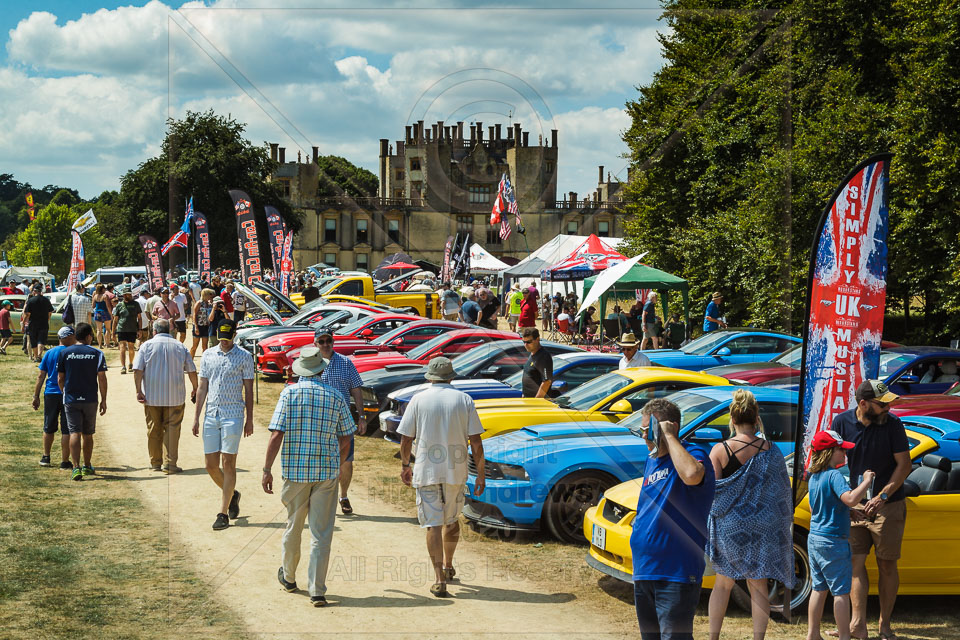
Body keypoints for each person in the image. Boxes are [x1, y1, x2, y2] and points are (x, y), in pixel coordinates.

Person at [263, 346, 355, 607]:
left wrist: (266, 469)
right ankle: (317, 589)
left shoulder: (289, 394)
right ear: (322, 369)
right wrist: (337, 455)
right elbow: (347, 433)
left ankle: (289, 577)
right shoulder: (335, 395)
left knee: (294, 524)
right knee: (321, 533)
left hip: (295, 472)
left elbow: (277, 433)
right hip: (326, 473)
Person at [706, 389, 794, 640]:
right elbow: (781, 493)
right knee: (759, 586)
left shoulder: (720, 450)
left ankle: (713, 638)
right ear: (757, 419)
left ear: (732, 420)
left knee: (723, 584)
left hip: (730, 528)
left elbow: (715, 493)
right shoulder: (772, 450)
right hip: (763, 529)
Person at [397, 356, 485, 597]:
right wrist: (481, 474)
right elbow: (475, 440)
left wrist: (405, 464)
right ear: (451, 376)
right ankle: (448, 565)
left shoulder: (418, 399)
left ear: (429, 377)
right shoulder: (464, 400)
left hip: (426, 470)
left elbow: (406, 438)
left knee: (432, 524)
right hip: (456, 471)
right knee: (452, 520)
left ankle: (438, 578)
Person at [830, 380, 911, 640]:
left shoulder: (893, 424)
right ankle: (857, 626)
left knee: (887, 565)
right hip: (855, 505)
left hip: (889, 503)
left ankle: (884, 626)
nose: (888, 407)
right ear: (863, 404)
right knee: (855, 563)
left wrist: (883, 496)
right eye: (882, 403)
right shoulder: (841, 423)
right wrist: (847, 500)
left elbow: (904, 464)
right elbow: (834, 463)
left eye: (888, 402)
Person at [630, 398, 715, 639]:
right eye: (643, 429)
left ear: (670, 427)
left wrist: (669, 436)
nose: (644, 436)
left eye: (650, 429)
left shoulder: (694, 453)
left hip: (676, 572)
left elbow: (691, 475)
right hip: (646, 569)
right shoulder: (652, 459)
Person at [805, 430, 875, 640]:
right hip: (833, 541)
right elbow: (852, 497)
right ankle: (845, 636)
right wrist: (867, 481)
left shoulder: (813, 476)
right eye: (840, 449)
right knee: (841, 592)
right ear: (828, 452)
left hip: (815, 539)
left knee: (818, 589)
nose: (845, 453)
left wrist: (844, 511)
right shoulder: (834, 475)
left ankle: (813, 634)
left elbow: (812, 506)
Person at [192, 320, 255, 530]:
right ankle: (232, 495)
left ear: (235, 335)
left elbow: (248, 390)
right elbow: (202, 387)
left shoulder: (245, 357)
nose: (225, 342)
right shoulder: (209, 355)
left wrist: (250, 419)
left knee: (228, 462)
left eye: (228, 338)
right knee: (210, 465)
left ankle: (222, 513)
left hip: (233, 415)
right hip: (211, 414)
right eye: (222, 337)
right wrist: (196, 417)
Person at [133, 318, 199, 474]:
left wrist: (138, 390)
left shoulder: (146, 346)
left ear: (154, 331)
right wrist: (195, 388)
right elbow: (191, 370)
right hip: (175, 397)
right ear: (170, 331)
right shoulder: (180, 346)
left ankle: (155, 463)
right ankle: (170, 464)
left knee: (153, 429)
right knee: (173, 430)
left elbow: (137, 370)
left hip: (152, 397)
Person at [313, 327, 366, 515]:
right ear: (315, 344)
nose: (326, 345)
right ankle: (323, 497)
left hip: (343, 421)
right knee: (320, 460)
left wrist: (361, 416)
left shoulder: (346, 363)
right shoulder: (311, 364)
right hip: (318, 422)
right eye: (322, 341)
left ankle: (343, 496)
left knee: (346, 461)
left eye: (329, 341)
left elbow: (356, 390)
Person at [57, 323, 108, 481]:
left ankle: (76, 467)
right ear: (88, 336)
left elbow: (60, 378)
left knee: (74, 432)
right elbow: (102, 378)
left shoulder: (65, 352)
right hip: (90, 399)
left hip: (71, 398)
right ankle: (87, 465)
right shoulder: (97, 353)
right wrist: (104, 399)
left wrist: (65, 392)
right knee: (88, 434)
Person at [34, 326, 77, 468]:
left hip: (51, 394)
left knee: (48, 426)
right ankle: (65, 461)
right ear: (68, 337)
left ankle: (46, 457)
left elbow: (41, 375)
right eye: (73, 336)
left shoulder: (49, 353)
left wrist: (36, 396)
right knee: (67, 429)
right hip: (67, 394)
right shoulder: (72, 353)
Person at [113, 285, 143, 374]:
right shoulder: (119, 305)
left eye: (129, 294)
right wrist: (113, 332)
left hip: (132, 329)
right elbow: (115, 320)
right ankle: (123, 366)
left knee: (131, 348)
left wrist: (140, 329)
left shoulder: (135, 304)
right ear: (123, 295)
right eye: (126, 294)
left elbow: (139, 318)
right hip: (121, 329)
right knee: (122, 348)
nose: (128, 296)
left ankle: (130, 363)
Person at [22, 284, 54, 362]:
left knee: (34, 340)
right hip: (44, 323)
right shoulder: (46, 300)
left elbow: (27, 314)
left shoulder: (31, 300)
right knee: (41, 340)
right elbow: (50, 312)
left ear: (35, 291)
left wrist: (23, 323)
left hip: (33, 323)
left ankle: (36, 357)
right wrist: (48, 319)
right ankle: (39, 355)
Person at [521, 327, 553, 398]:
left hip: (537, 404)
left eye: (529, 342)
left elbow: (547, 382)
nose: (526, 345)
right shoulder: (532, 353)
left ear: (537, 339)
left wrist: (536, 401)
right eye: (524, 342)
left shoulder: (543, 356)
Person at [191, 288, 214, 358]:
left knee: (205, 346)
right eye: (210, 294)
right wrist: (196, 326)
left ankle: (205, 361)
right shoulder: (199, 303)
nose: (211, 296)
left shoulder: (209, 304)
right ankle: (189, 361)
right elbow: (194, 315)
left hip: (206, 326)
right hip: (198, 325)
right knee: (195, 346)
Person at [91, 284, 113, 349]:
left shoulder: (95, 296)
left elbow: (93, 306)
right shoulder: (105, 296)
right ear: (102, 289)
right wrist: (111, 314)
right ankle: (107, 344)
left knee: (99, 330)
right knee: (108, 329)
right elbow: (108, 306)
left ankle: (100, 345)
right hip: (105, 312)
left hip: (97, 312)